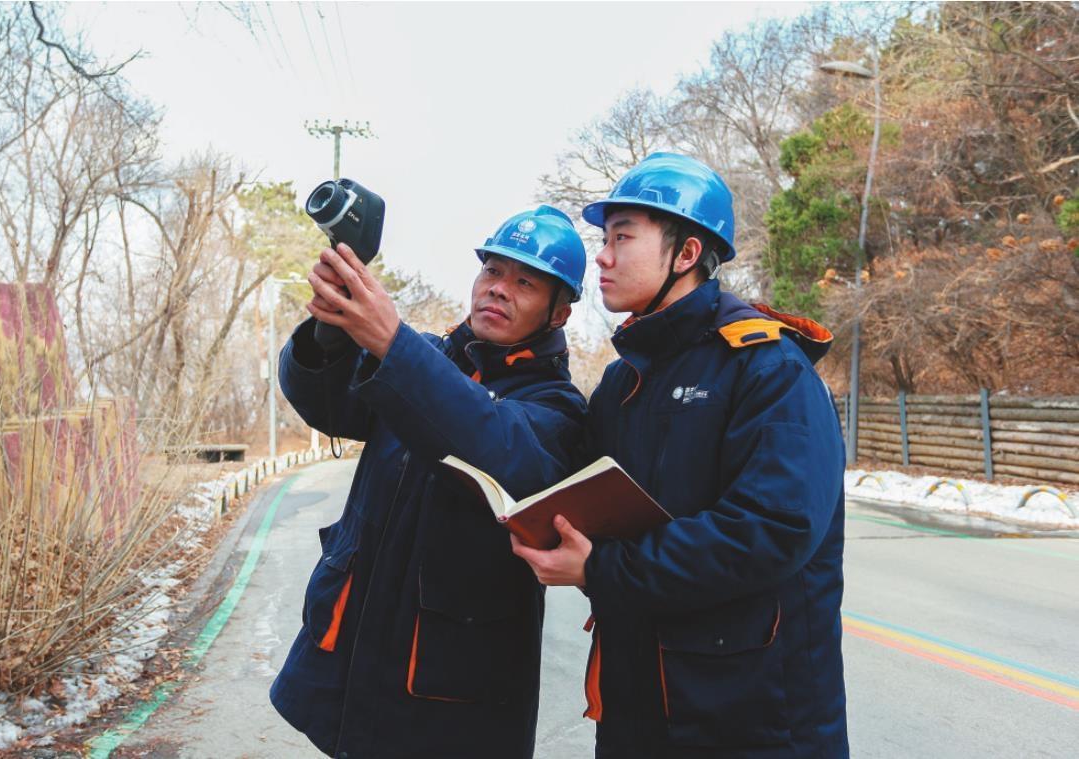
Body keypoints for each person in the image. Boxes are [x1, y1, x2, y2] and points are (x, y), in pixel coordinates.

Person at [512, 153, 848, 758]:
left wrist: (602, 570)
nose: (603, 257)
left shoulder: (767, 367)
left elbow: (775, 526)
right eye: (603, 239)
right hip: (638, 705)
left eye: (622, 238)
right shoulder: (623, 382)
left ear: (686, 254)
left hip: (752, 717)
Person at [270, 205, 588, 759]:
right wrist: (330, 333)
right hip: (354, 654)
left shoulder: (558, 409)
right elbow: (331, 405)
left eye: (525, 282)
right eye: (492, 272)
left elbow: (495, 446)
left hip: (446, 687)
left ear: (559, 313)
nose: (499, 290)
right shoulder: (426, 358)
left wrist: (393, 343)